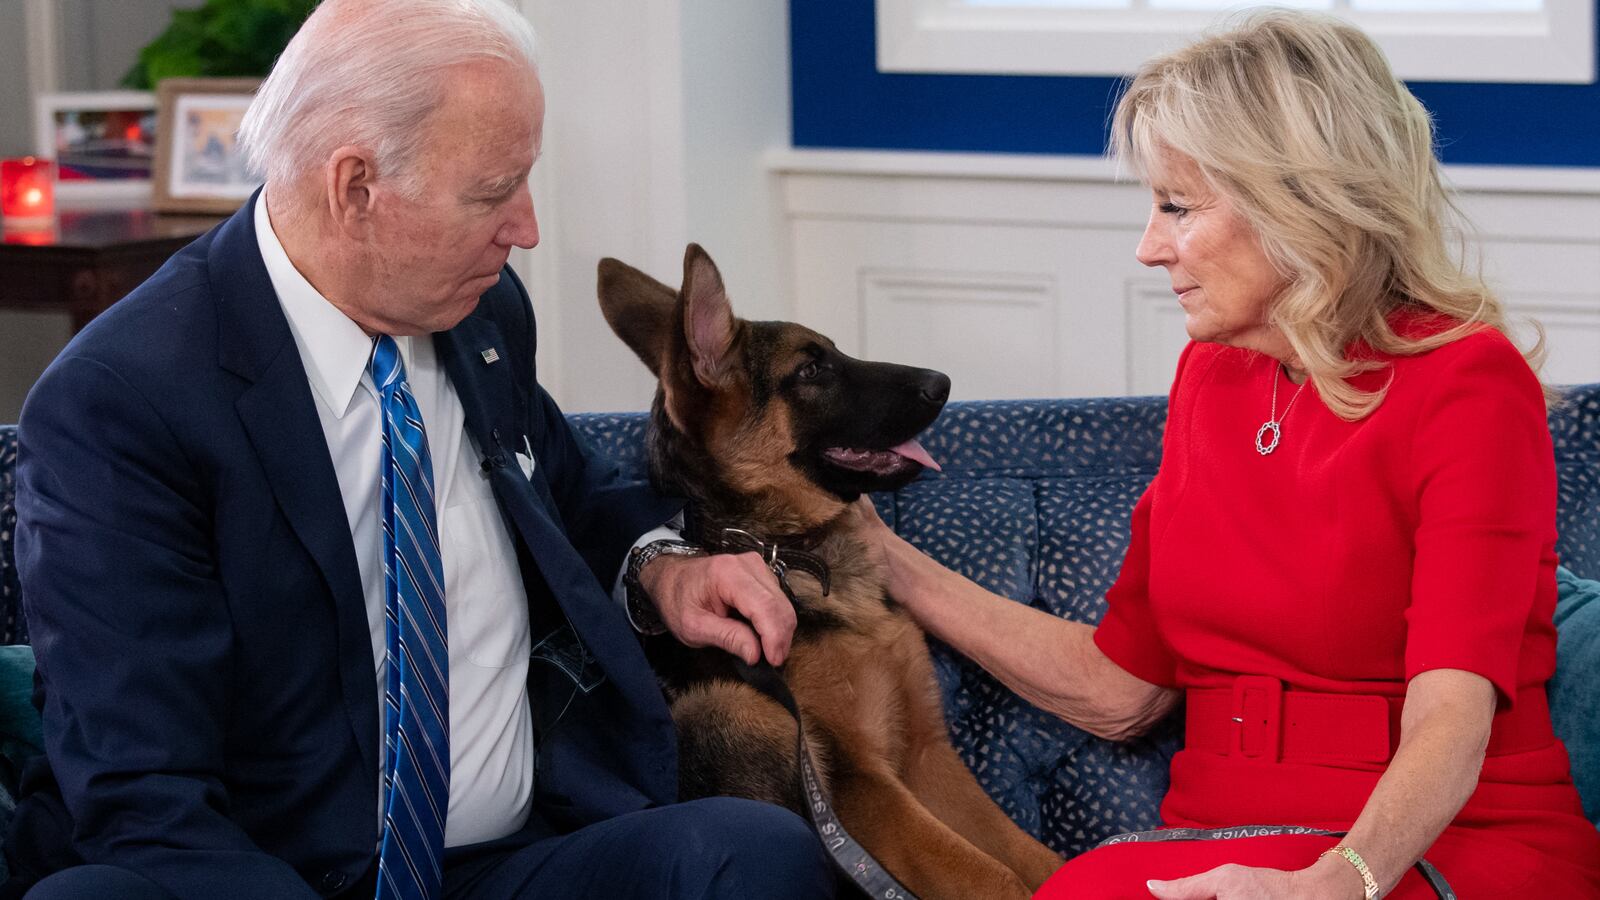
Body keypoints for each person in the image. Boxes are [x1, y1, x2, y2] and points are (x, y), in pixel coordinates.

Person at [3, 1, 834, 898]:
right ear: (355, 187)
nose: (526, 227)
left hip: (505, 862)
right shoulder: (122, 403)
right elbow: (142, 792)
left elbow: (572, 500)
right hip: (265, 873)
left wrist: (664, 571)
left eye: (524, 181)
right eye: (490, 192)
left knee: (750, 852)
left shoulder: (480, 315)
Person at [853, 10, 1600, 899]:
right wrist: (880, 558)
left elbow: (1453, 715)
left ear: (1299, 203)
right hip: (1220, 842)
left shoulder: (1469, 384)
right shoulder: (1211, 376)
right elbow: (1119, 686)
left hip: (1440, 849)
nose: (1147, 246)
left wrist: (1337, 881)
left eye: (1177, 206)